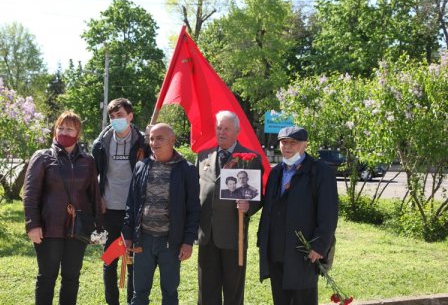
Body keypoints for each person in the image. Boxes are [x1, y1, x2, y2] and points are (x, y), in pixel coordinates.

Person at [23, 110, 103, 305]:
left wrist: (98, 228)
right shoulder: (42, 157)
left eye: (70, 128)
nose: (64, 132)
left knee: (71, 277)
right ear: (55, 130)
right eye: (61, 127)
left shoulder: (88, 161)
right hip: (49, 228)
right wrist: (32, 224)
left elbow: (94, 196)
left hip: (78, 230)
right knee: (47, 277)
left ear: (78, 133)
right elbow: (30, 194)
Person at [257, 126, 338, 305]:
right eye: (284, 142)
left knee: (303, 300)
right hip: (276, 251)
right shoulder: (276, 172)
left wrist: (319, 246)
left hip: (304, 253)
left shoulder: (319, 171)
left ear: (305, 145)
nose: (288, 146)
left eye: (293, 142)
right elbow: (269, 207)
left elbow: (329, 213)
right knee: (281, 300)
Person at [122, 123, 200, 305]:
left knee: (170, 292)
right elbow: (131, 204)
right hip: (143, 240)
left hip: (171, 242)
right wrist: (127, 234)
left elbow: (194, 209)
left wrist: (188, 241)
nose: (154, 142)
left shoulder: (187, 170)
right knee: (139, 293)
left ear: (172, 140)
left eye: (160, 138)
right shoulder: (141, 167)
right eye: (151, 138)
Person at [197, 110, 263, 305]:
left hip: (234, 235)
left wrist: (248, 206)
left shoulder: (250, 158)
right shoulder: (203, 156)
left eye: (226, 128)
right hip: (207, 236)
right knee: (207, 291)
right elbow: (195, 192)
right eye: (219, 128)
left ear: (237, 131)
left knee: (233, 293)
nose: (221, 132)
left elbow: (258, 197)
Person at [92, 98, 148, 305]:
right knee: (110, 260)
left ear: (130, 116)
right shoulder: (100, 144)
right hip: (110, 211)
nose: (116, 120)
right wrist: (98, 200)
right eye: (112, 117)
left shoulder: (143, 142)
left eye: (120, 116)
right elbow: (93, 176)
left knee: (133, 260)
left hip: (133, 212)